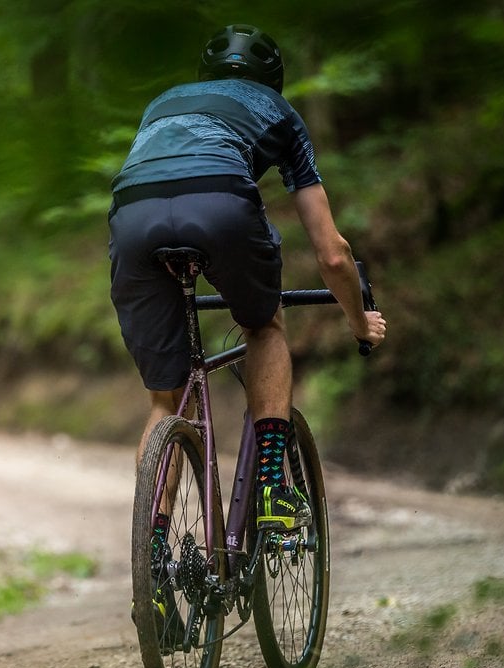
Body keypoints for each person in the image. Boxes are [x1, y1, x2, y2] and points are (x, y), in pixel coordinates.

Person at [108, 24, 387, 533]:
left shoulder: (162, 104)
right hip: (221, 203)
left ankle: (153, 553)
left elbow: (157, 173)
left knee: (164, 399)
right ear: (271, 78)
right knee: (264, 327)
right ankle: (273, 492)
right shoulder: (278, 111)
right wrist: (359, 322)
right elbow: (331, 253)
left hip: (131, 215)